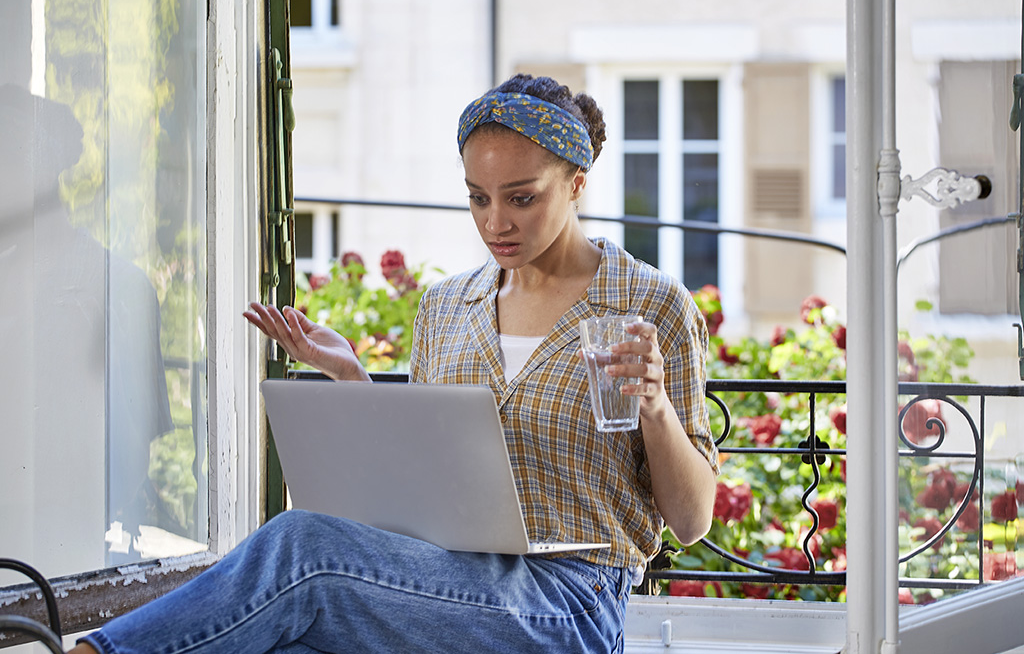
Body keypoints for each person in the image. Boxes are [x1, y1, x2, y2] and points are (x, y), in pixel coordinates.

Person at [72, 74, 719, 654]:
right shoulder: (445, 308)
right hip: (445, 583)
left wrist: (656, 406)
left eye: (521, 198)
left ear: (576, 182)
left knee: (303, 546)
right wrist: (353, 379)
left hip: (570, 604)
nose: (496, 222)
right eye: (477, 197)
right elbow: (420, 491)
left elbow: (691, 521)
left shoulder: (649, 305)